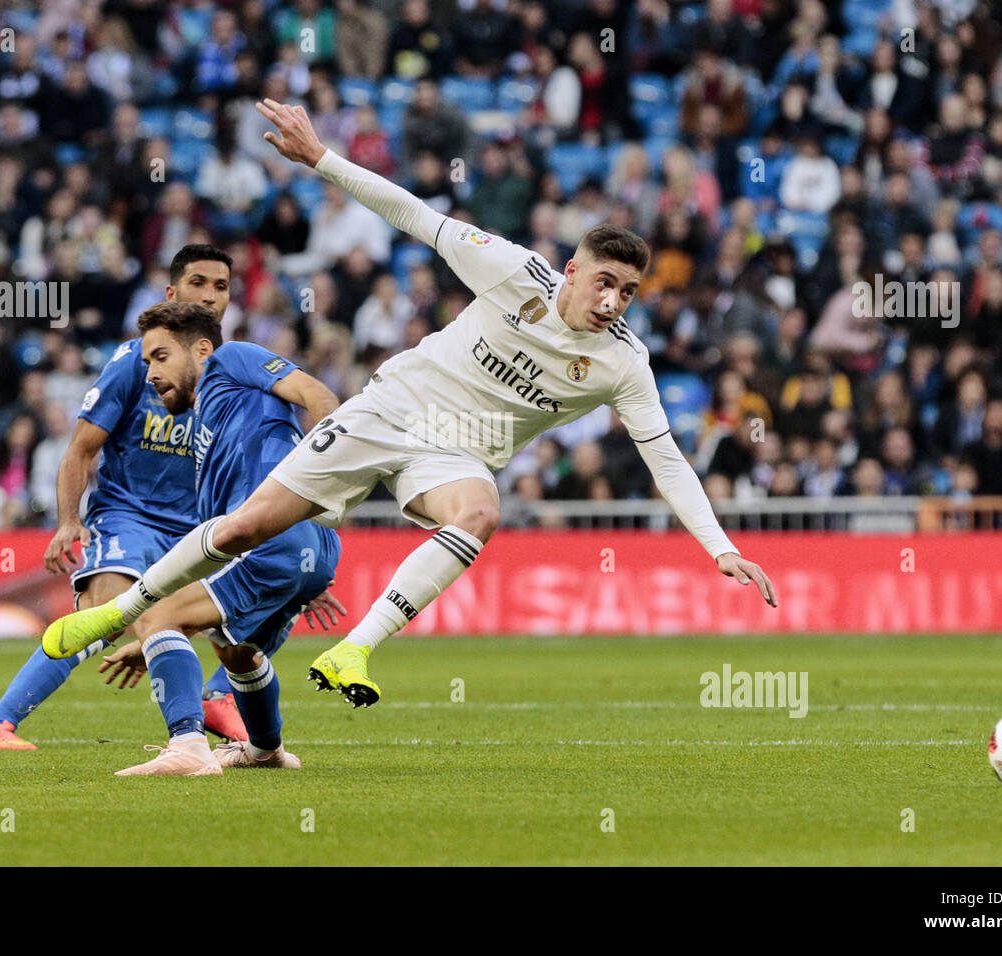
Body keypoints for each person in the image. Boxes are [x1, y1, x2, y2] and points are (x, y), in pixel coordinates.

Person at [42, 99, 777, 712]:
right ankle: (120, 609)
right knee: (242, 529)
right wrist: (321, 159)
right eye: (605, 282)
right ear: (574, 271)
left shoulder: (623, 362)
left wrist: (722, 547)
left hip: (456, 451)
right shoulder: (513, 270)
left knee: (480, 514)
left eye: (629, 292)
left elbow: (667, 459)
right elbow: (415, 216)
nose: (614, 301)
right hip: (390, 408)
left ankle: (355, 649)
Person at [0, 246, 252, 750]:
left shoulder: (235, 371)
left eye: (221, 286)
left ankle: (212, 705)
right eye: (198, 282)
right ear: (171, 292)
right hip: (130, 517)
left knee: (257, 616)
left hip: (198, 528)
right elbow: (80, 450)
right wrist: (68, 520)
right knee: (108, 616)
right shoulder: (132, 363)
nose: (209, 295)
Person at [93, 301, 343, 775]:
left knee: (157, 615)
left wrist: (160, 630)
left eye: (161, 357)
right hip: (308, 548)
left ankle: (188, 747)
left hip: (277, 536)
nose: (150, 374)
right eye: (146, 362)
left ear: (202, 349)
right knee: (237, 652)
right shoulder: (213, 424)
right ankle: (266, 751)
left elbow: (318, 395)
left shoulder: (231, 360)